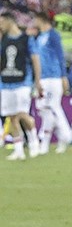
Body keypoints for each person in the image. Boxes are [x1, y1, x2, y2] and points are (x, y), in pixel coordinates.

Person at [31, 11, 72, 154]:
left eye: (35, 19)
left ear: (41, 19)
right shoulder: (40, 37)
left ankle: (66, 135)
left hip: (53, 77)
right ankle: (58, 139)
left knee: (52, 107)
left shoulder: (53, 34)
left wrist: (63, 76)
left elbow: (61, 56)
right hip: (42, 78)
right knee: (43, 110)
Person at [1, 11, 39, 160]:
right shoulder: (2, 39)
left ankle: (34, 141)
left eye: (2, 22)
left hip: (23, 82)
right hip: (6, 82)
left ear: (10, 21)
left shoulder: (26, 39)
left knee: (22, 113)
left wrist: (37, 81)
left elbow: (35, 60)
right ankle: (18, 150)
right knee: (12, 116)